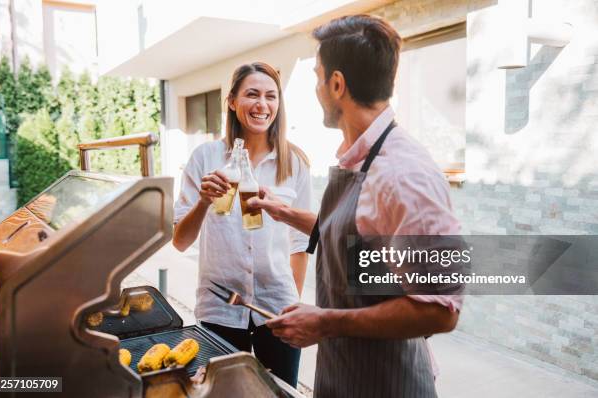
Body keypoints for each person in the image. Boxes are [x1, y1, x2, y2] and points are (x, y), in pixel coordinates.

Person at [248, 15, 463, 397]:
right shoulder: (362, 157)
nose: (316, 88)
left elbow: (439, 309)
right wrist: (282, 212)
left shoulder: (403, 174)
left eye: (317, 77)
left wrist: (326, 322)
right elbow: (358, 235)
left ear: (336, 84)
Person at [172, 62, 311, 387]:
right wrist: (204, 201)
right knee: (223, 394)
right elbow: (180, 241)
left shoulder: (295, 164)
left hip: (275, 309)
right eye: (252, 94)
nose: (262, 105)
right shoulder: (205, 158)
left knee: (277, 393)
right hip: (219, 310)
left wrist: (290, 309)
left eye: (271, 96)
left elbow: (300, 245)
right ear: (232, 101)